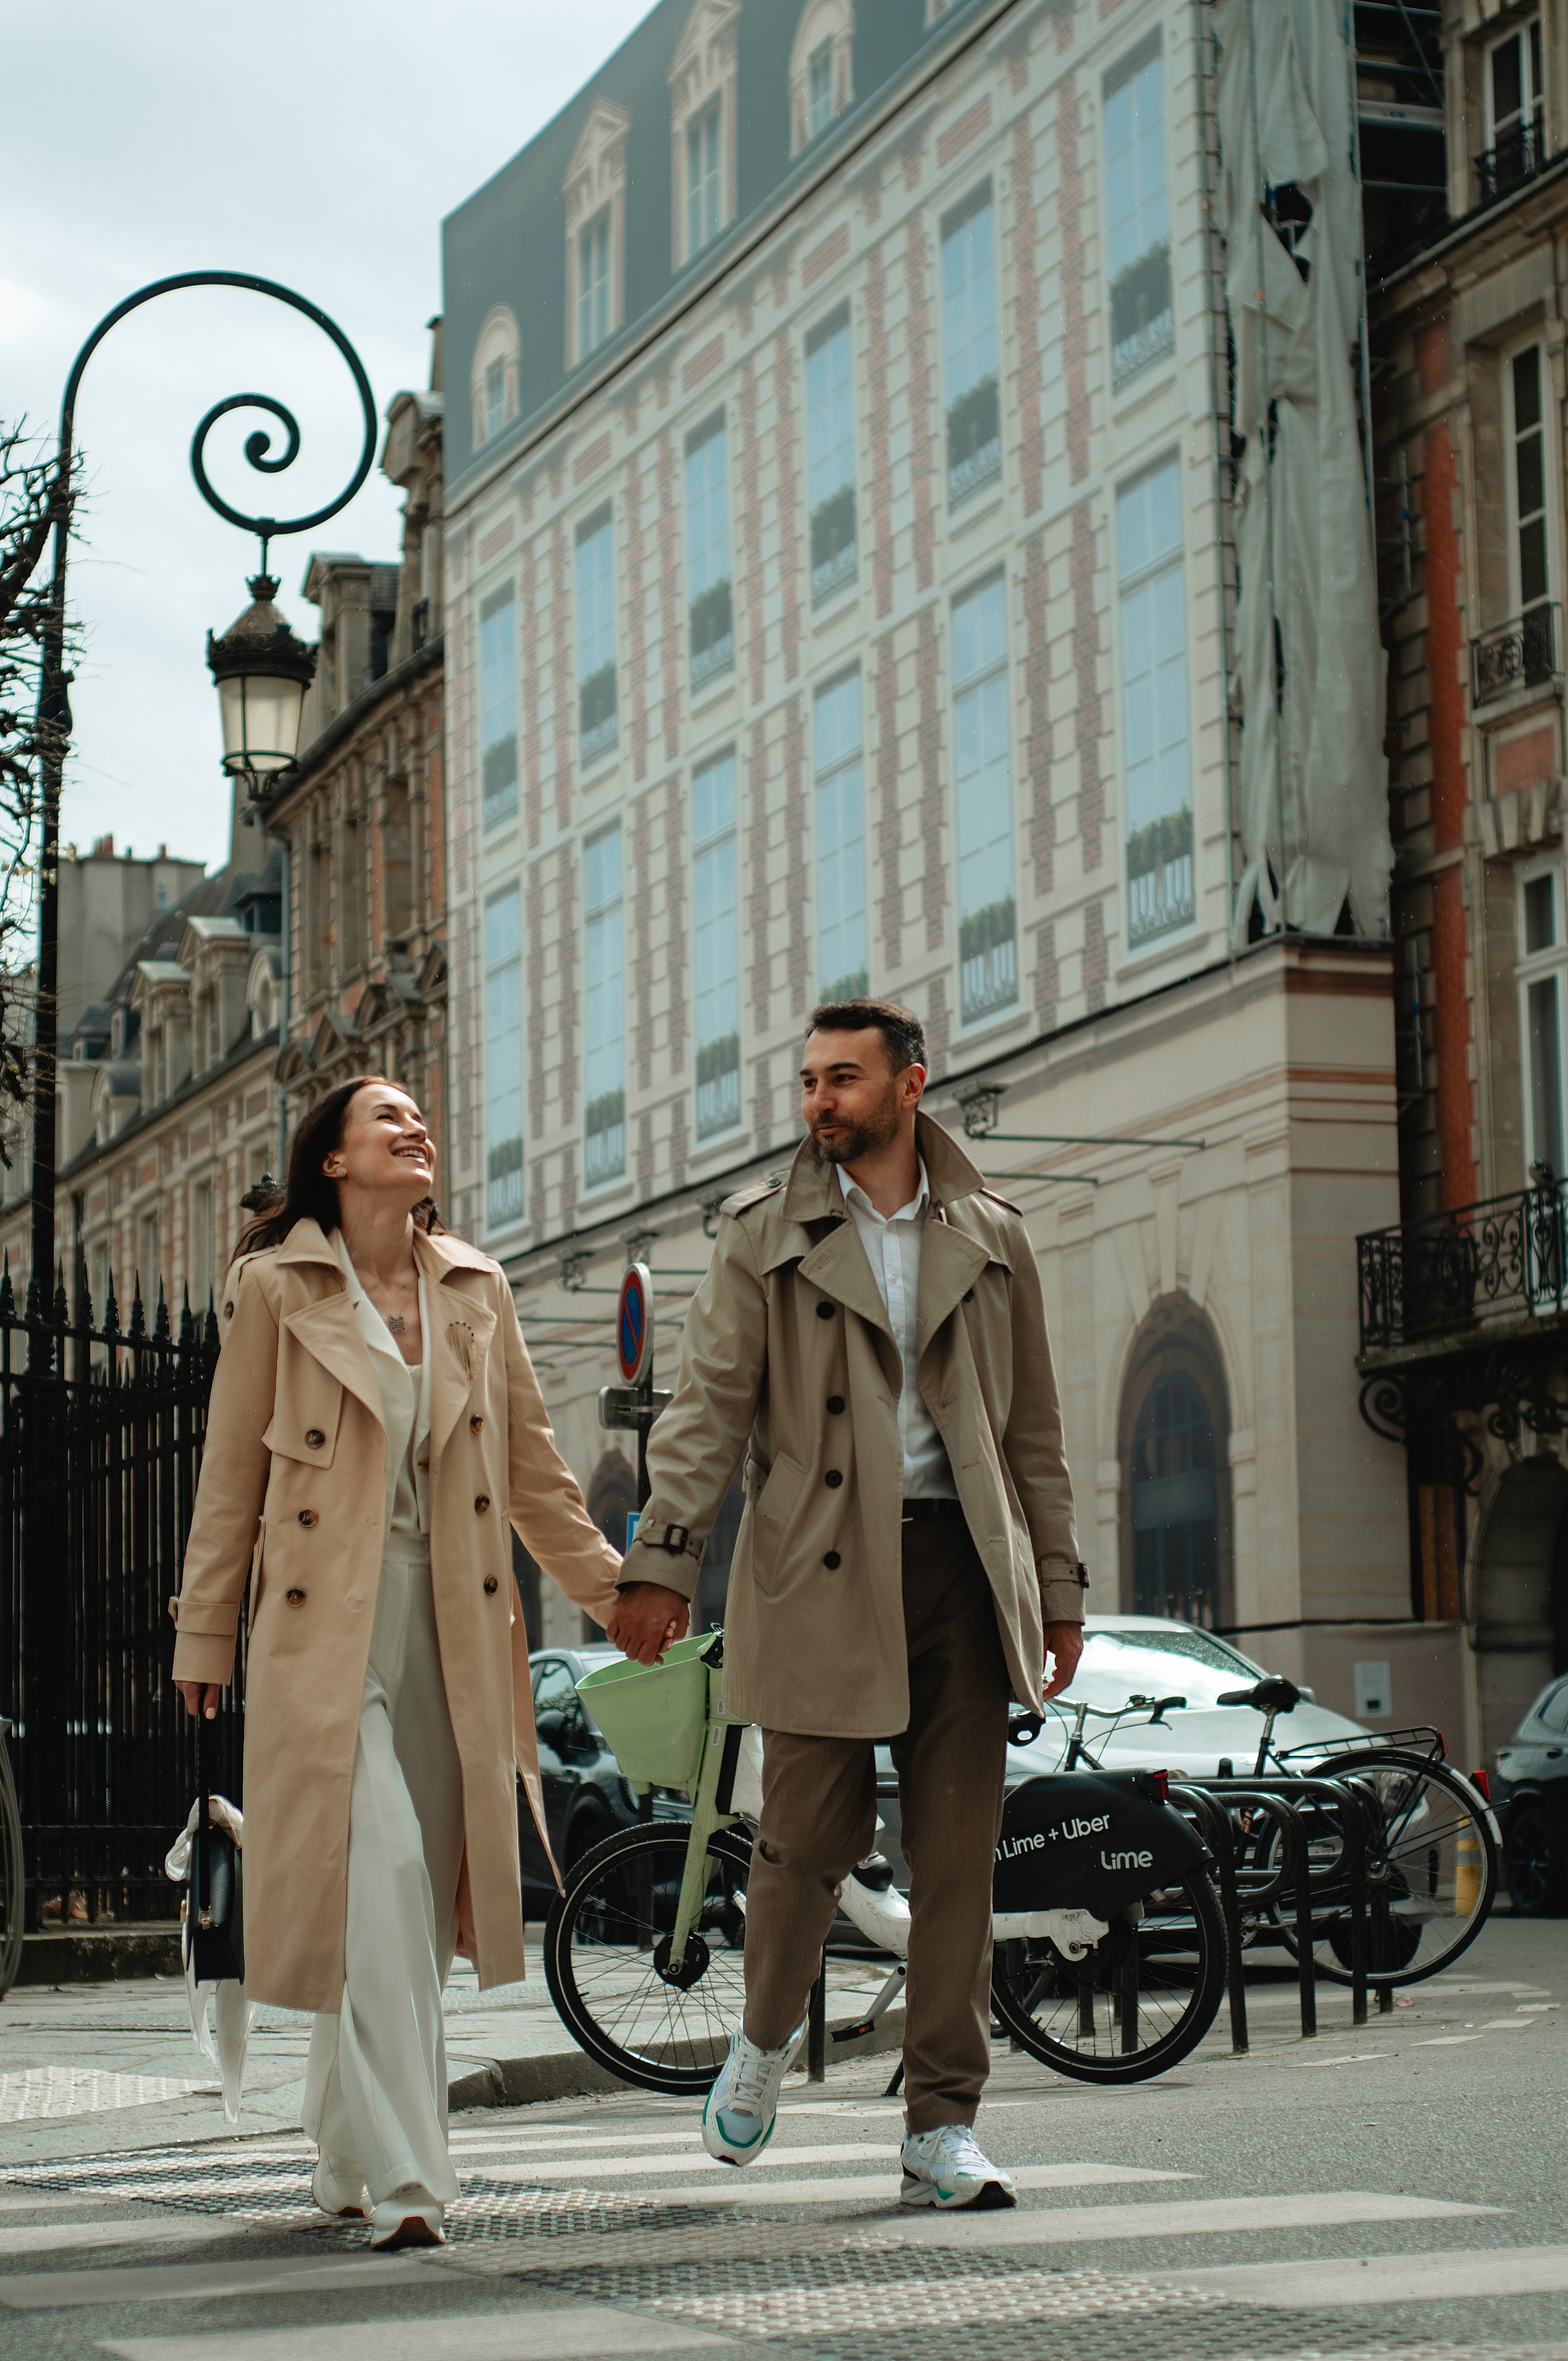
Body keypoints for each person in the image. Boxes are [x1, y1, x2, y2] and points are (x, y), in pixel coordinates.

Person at [614, 998, 1085, 2210]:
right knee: (802, 1843)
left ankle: (941, 2120)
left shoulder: (989, 1232)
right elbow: (707, 1405)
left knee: (955, 1862)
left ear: (908, 1084)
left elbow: (1031, 1429)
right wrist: (663, 1558)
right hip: (816, 1566)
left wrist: (1060, 1586)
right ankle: (764, 2039)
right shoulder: (761, 1232)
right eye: (808, 1079)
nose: (818, 1100)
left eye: (842, 1078)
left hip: (961, 1574)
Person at [171, 1075, 649, 2248]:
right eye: (385, 1119)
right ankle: (409, 2180)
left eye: (420, 1117)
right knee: (376, 1872)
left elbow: (535, 1473)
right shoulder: (276, 1287)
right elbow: (232, 1469)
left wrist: (621, 1595)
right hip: (320, 1628)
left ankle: (342, 2151)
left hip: (454, 1626)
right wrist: (202, 1627)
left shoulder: (476, 1289)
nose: (414, 1128)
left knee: (406, 1909)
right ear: (332, 1161)